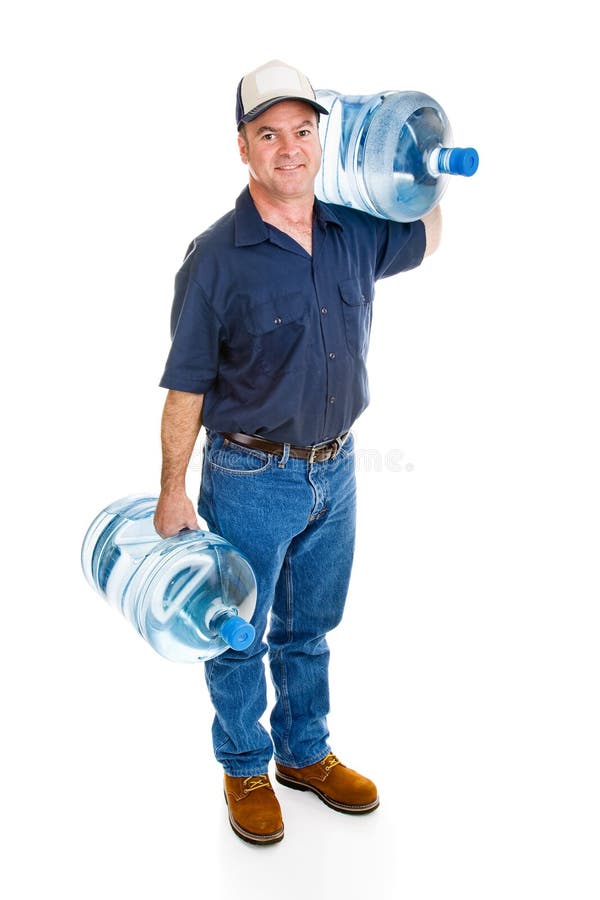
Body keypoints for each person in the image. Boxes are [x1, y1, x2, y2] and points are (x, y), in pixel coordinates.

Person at [154, 59, 441, 845]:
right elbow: (185, 388)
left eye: (304, 131)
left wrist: (421, 168)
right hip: (248, 475)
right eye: (269, 133)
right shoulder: (217, 258)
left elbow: (428, 233)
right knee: (236, 628)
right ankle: (246, 765)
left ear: (323, 139)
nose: (290, 148)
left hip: (339, 470)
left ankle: (304, 754)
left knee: (310, 625)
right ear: (243, 147)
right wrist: (173, 492)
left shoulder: (353, 229)